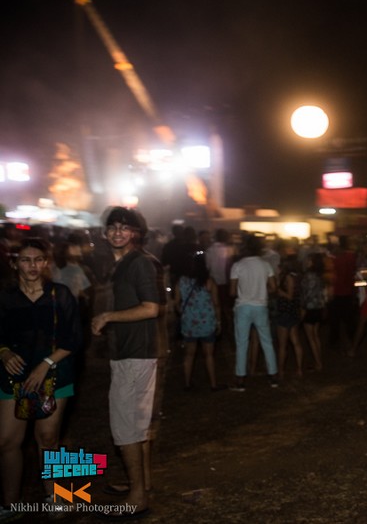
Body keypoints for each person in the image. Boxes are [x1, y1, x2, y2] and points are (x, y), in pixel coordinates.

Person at [0, 238, 81, 518]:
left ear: (45, 263)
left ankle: (56, 497)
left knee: (47, 438)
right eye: (25, 260)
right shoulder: (5, 297)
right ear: (15, 264)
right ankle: (11, 504)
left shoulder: (60, 294)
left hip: (54, 373)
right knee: (7, 441)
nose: (32, 265)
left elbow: (74, 338)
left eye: (38, 259)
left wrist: (45, 364)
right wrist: (4, 353)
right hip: (14, 375)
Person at [90, 207, 160, 518]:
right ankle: (140, 485)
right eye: (112, 227)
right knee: (136, 425)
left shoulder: (138, 263)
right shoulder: (123, 263)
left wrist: (108, 316)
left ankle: (136, 497)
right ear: (105, 233)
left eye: (124, 227)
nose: (118, 232)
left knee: (126, 427)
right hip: (129, 352)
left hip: (135, 354)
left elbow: (150, 308)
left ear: (135, 232)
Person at [229, 234, 279, 391]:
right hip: (261, 306)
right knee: (267, 341)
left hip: (243, 306)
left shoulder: (238, 265)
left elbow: (232, 292)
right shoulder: (265, 265)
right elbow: (274, 288)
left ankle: (240, 379)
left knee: (242, 342)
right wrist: (261, 291)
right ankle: (273, 376)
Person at [175, 252, 221, 391]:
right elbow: (216, 304)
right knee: (209, 355)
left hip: (189, 323)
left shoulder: (182, 281)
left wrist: (183, 313)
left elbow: (176, 303)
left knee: (189, 355)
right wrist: (219, 322)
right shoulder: (209, 282)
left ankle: (187, 383)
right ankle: (213, 384)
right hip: (207, 322)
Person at [275, 254, 304, 379]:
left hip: (286, 313)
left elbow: (290, 296)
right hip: (293, 312)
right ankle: (299, 369)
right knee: (295, 341)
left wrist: (279, 291)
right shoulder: (297, 276)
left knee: (283, 345)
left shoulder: (289, 277)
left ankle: (281, 371)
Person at [300, 252, 326, 372]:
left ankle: (318, 363)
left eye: (309, 260)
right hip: (318, 307)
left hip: (310, 309)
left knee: (311, 338)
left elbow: (306, 295)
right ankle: (319, 360)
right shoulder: (319, 276)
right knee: (315, 336)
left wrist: (302, 309)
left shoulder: (308, 276)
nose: (306, 262)